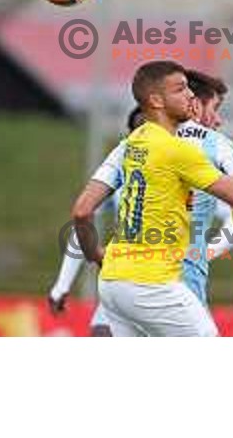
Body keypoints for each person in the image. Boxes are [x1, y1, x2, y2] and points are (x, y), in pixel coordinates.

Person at [72, 61, 233, 337]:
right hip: (155, 283)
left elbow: (82, 211)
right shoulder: (181, 150)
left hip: (112, 283)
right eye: (180, 89)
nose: (190, 95)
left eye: (189, 88)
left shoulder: (129, 143)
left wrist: (95, 255)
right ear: (156, 101)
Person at [47, 106, 145, 337]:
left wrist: (207, 250)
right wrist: (63, 283)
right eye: (140, 130)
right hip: (124, 280)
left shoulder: (189, 167)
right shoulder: (123, 173)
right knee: (102, 331)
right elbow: (81, 222)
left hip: (174, 284)